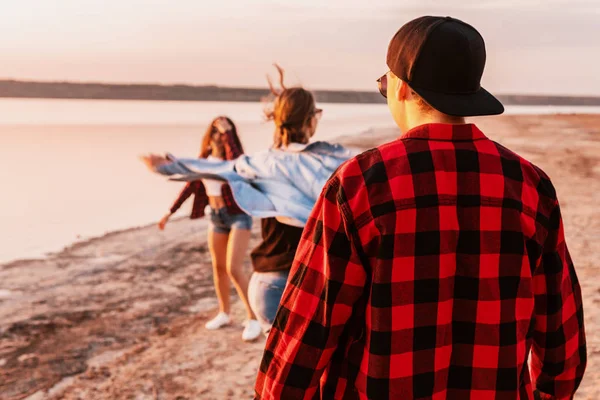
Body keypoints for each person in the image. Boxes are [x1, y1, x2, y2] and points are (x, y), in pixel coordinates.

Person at [254, 16, 586, 399]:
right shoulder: (531, 186)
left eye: (384, 82)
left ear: (401, 88)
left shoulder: (359, 184)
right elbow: (562, 342)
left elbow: (305, 333)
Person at [142, 66, 356, 335]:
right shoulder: (335, 162)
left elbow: (220, 168)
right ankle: (230, 314)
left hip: (267, 285)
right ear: (310, 121)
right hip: (309, 281)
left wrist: (170, 165)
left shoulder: (260, 162)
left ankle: (240, 317)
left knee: (281, 371)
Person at [157, 116, 261, 342]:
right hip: (215, 217)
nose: (218, 137)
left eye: (223, 134)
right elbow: (190, 187)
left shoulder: (234, 163)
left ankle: (253, 318)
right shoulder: (203, 161)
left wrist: (228, 133)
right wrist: (170, 212)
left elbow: (236, 160)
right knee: (219, 267)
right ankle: (225, 313)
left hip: (238, 216)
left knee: (234, 268)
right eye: (215, 133)